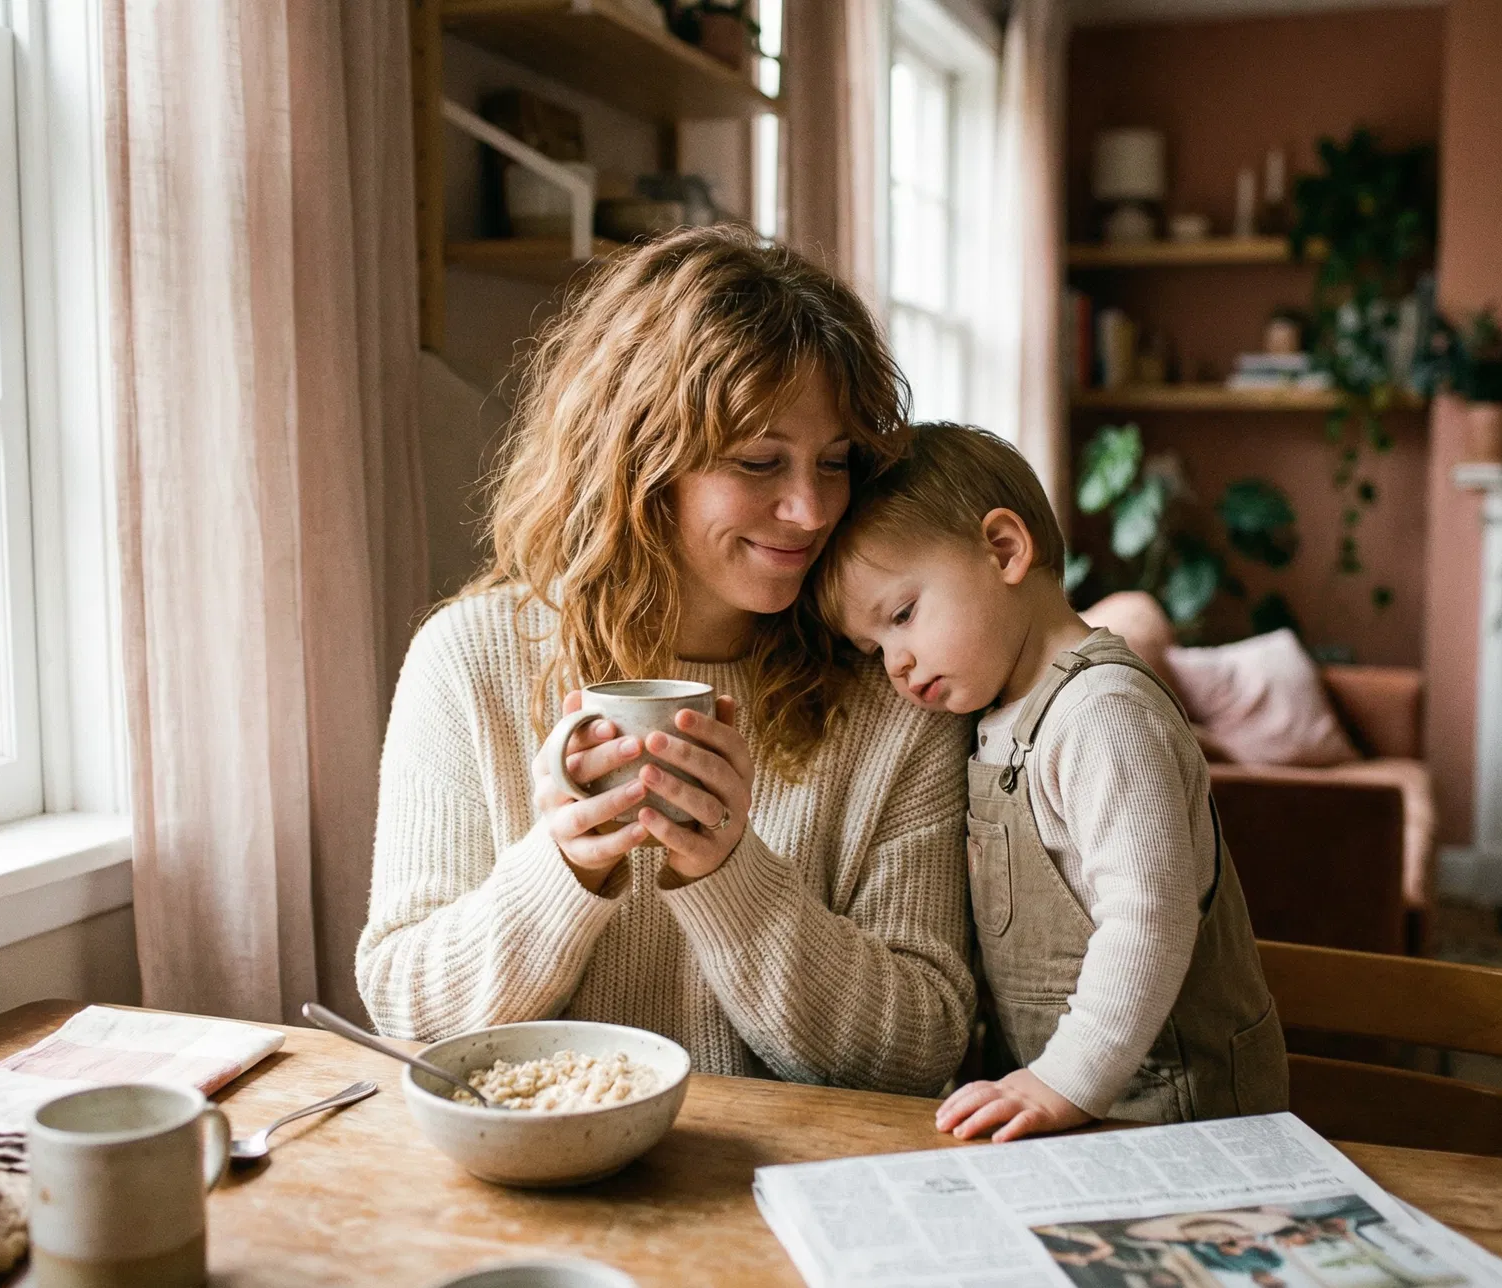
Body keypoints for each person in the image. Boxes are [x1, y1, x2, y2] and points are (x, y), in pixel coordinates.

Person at [354, 227, 974, 1095]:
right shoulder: (471, 662)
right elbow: (407, 1011)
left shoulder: (894, 688)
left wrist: (730, 875)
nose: (808, 509)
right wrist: (561, 869)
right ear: (640, 464)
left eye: (834, 463)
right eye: (760, 461)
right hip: (531, 1185)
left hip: (792, 1187)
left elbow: (921, 1049)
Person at [814, 422, 1288, 1137]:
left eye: (905, 616)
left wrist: (1060, 1082)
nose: (896, 665)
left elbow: (1149, 920)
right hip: (1070, 1112)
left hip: (1178, 1109)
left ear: (1004, 549)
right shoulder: (997, 716)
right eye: (873, 646)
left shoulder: (1103, 716)